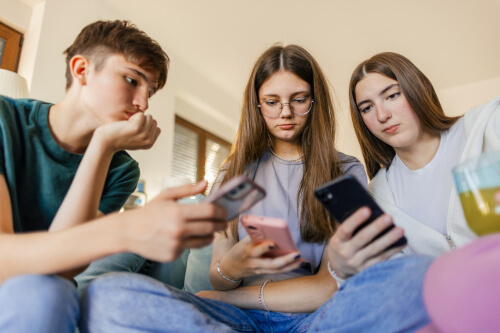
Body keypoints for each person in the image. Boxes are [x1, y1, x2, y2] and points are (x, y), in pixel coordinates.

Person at [80, 44, 374, 332]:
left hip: (308, 318)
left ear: (314, 102)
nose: (285, 112)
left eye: (298, 99)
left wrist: (227, 296)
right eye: (272, 102)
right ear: (257, 105)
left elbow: (328, 286)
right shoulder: (236, 173)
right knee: (109, 294)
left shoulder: (344, 172)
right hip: (236, 317)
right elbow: (218, 277)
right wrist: (232, 268)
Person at [0, 20, 227, 333]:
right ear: (81, 69)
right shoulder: (3, 119)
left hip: (43, 293)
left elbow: (64, 268)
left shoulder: (122, 168)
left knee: (49, 293)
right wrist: (128, 228)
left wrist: (103, 146)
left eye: (151, 91)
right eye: (132, 80)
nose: (143, 104)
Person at [327, 52, 500, 282]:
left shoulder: (485, 127)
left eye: (392, 95)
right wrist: (341, 269)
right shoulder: (379, 196)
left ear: (417, 88)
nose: (382, 115)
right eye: (367, 108)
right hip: (453, 309)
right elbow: (386, 280)